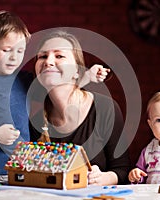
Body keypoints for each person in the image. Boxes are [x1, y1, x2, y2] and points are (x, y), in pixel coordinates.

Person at [0, 11, 110, 181]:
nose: (14, 58)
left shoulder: (25, 80)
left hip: (25, 169)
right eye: (7, 50)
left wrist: (87, 76)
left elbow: (56, 87)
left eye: (20, 51)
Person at [29, 30, 131, 186]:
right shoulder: (36, 121)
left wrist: (104, 178)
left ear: (77, 71)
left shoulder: (105, 108)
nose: (48, 61)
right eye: (42, 56)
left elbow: (123, 170)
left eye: (59, 56)